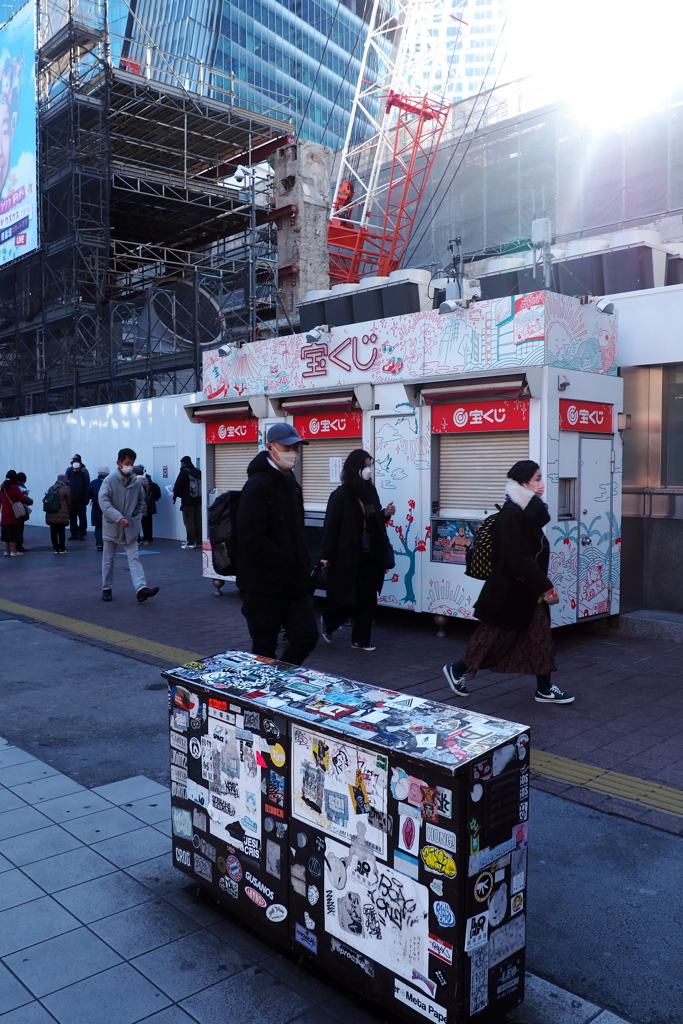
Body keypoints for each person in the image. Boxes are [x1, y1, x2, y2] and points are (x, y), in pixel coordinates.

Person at [442, 460, 574, 704]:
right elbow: (519, 559)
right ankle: (457, 669)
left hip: (526, 590)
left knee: (540, 637)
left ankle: (544, 688)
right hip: (511, 592)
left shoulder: (527, 513)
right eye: (537, 478)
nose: (541, 483)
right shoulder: (512, 515)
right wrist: (545, 587)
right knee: (492, 638)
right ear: (524, 483)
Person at [235, 422, 318, 665]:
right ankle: (262, 695)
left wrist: (302, 568)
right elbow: (251, 538)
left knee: (306, 636)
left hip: (292, 583)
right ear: (269, 447)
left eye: (296, 447)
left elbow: (297, 532)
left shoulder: (291, 483)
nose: (293, 453)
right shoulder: (257, 485)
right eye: (287, 447)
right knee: (264, 649)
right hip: (262, 585)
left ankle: (280, 678)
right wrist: (283, 562)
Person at [319, 449, 395, 651]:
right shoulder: (341, 495)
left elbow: (373, 518)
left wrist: (385, 514)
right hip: (348, 554)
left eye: (370, 465)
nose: (369, 470)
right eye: (366, 466)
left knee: (369, 597)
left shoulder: (370, 492)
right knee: (349, 597)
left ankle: (361, 640)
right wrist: (326, 555)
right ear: (354, 468)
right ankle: (329, 619)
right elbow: (331, 526)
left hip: (371, 552)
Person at [98, 448, 159, 604]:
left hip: (130, 527)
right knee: (108, 559)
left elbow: (140, 503)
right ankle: (106, 588)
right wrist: (118, 518)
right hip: (112, 526)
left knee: (134, 557)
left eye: (131, 463)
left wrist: (135, 518)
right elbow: (103, 502)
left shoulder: (136, 483)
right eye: (127, 463)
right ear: (118, 463)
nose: (129, 466)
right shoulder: (109, 480)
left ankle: (141, 589)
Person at [173, 456, 201, 549]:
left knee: (189, 521)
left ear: (183, 463)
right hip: (198, 499)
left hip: (187, 500)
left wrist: (175, 493)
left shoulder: (184, 471)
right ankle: (199, 541)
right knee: (197, 520)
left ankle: (190, 542)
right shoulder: (197, 471)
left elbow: (177, 484)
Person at [0, 470, 27, 556]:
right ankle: (14, 551)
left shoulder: (2, 488)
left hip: (5, 511)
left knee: (6, 532)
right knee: (15, 532)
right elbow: (22, 498)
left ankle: (6, 550)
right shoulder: (14, 487)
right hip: (14, 512)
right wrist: (25, 496)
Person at [66, 454, 90, 541]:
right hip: (71, 499)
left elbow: (87, 485)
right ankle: (74, 534)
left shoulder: (84, 471)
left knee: (82, 517)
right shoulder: (69, 470)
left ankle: (81, 533)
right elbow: (66, 484)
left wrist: (86, 498)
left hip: (81, 499)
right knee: (72, 517)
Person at [45, 474, 71, 554]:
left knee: (53, 532)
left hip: (51, 513)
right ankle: (62, 548)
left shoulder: (51, 488)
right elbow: (69, 501)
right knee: (61, 532)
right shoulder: (66, 488)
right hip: (61, 513)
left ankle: (56, 549)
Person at [87, 466, 109, 551]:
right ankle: (108, 544)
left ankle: (99, 544)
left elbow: (88, 494)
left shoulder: (93, 482)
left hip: (96, 507)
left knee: (98, 526)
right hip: (108, 507)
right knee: (108, 526)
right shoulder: (110, 482)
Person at [141, 468, 160, 545]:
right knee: (149, 520)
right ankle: (149, 536)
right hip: (150, 503)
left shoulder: (142, 480)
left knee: (144, 521)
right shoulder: (149, 479)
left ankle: (146, 537)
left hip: (145, 504)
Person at [15, 472, 33, 552]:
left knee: (11, 529)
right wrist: (30, 501)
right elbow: (24, 499)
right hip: (18, 509)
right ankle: (18, 546)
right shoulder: (21, 487)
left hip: (9, 510)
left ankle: (11, 547)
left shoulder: (8, 486)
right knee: (19, 528)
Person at [133, 466, 150, 544]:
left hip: (136, 505)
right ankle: (146, 539)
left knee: (136, 522)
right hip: (144, 503)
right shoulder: (146, 480)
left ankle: (138, 539)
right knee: (145, 523)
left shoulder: (134, 481)